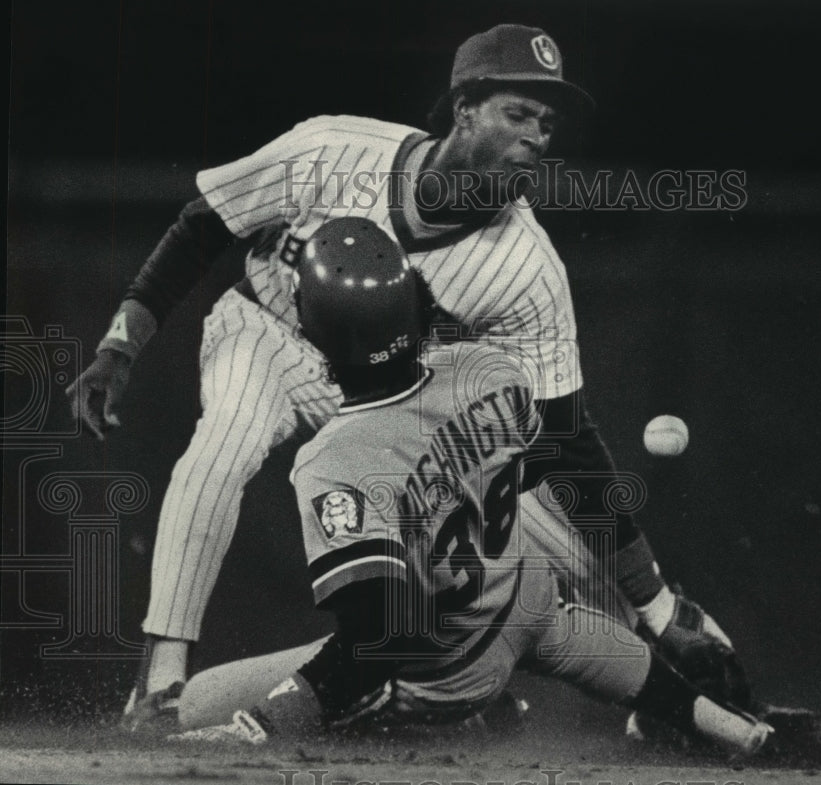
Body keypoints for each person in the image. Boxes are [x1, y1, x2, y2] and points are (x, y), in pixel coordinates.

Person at [66, 23, 737, 728]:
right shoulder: (333, 148)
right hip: (266, 332)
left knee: (547, 532)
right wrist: (121, 342)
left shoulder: (526, 267)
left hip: (389, 389)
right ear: (464, 108)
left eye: (546, 121)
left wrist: (652, 602)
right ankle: (160, 680)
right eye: (517, 112)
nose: (537, 135)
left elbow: (565, 437)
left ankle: (674, 658)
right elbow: (204, 224)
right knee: (223, 443)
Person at [165, 217, 772, 756]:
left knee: (195, 704)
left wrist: (273, 719)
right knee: (595, 647)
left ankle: (456, 723)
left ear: (314, 333)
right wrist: (659, 611)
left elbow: (382, 635)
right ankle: (727, 725)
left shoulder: (332, 461)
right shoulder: (486, 369)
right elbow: (542, 465)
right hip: (534, 606)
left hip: (445, 673)